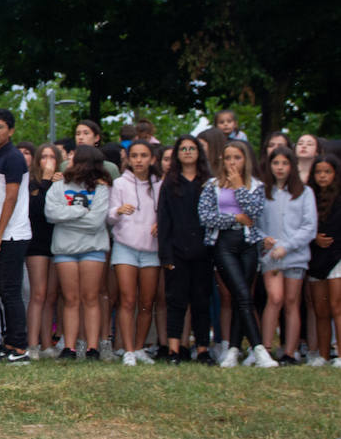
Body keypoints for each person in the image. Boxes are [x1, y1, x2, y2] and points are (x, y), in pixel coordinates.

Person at [198, 140, 273, 368]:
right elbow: (206, 217)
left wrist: (240, 186)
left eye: (237, 158)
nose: (232, 162)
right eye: (228, 158)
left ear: (245, 160)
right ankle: (259, 350)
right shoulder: (212, 185)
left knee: (243, 297)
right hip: (223, 245)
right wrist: (235, 218)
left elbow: (255, 211)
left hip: (248, 244)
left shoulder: (256, 186)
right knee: (240, 293)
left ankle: (232, 350)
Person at [45, 146, 113, 360]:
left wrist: (68, 218)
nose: (69, 161)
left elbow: (96, 222)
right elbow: (51, 213)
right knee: (71, 298)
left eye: (74, 158)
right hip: (65, 249)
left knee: (91, 298)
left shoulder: (101, 190)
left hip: (92, 249)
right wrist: (81, 211)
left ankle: (93, 347)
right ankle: (70, 347)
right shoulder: (58, 186)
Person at [157, 136, 213, 363]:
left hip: (204, 250)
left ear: (199, 152)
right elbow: (164, 221)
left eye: (192, 148)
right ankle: (174, 349)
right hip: (176, 251)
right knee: (176, 301)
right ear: (177, 154)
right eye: (183, 149)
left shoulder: (209, 182)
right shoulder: (169, 183)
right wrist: (166, 255)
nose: (188, 152)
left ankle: (202, 349)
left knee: (201, 301)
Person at [0, 109, 33, 363]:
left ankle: (20, 347)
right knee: (5, 291)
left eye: (0, 126)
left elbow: (11, 198)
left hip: (11, 235)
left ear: (11, 131)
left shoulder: (13, 157)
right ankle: (10, 342)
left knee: (11, 292)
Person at [258, 147, 315, 365]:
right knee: (275, 298)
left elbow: (309, 226)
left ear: (291, 166)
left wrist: (287, 246)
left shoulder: (304, 192)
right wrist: (265, 240)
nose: (280, 168)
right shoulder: (264, 191)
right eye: (276, 163)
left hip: (295, 255)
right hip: (271, 256)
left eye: (284, 163)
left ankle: (289, 352)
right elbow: (258, 224)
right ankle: (265, 349)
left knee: (292, 301)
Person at [108, 140, 162, 365]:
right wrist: (118, 211)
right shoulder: (120, 183)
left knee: (146, 302)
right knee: (128, 300)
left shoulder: (159, 184)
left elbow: (165, 213)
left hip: (151, 249)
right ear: (128, 159)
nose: (139, 160)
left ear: (152, 159)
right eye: (135, 156)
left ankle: (140, 347)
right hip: (125, 247)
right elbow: (109, 217)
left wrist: (161, 224)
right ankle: (128, 349)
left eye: (144, 155)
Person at [25, 144, 63, 358]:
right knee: (37, 294)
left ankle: (47, 343)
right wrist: (47, 180)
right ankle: (32, 344)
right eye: (44, 157)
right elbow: (38, 208)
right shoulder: (32, 183)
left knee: (50, 295)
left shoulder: (63, 181)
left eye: (52, 157)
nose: (47, 161)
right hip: (37, 242)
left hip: (58, 241)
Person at [307, 156, 341, 366]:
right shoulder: (308, 196)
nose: (322, 176)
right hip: (315, 258)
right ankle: (323, 354)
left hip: (337, 257)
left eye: (327, 172)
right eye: (318, 172)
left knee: (337, 307)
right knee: (321, 310)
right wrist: (314, 237)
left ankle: (339, 354)